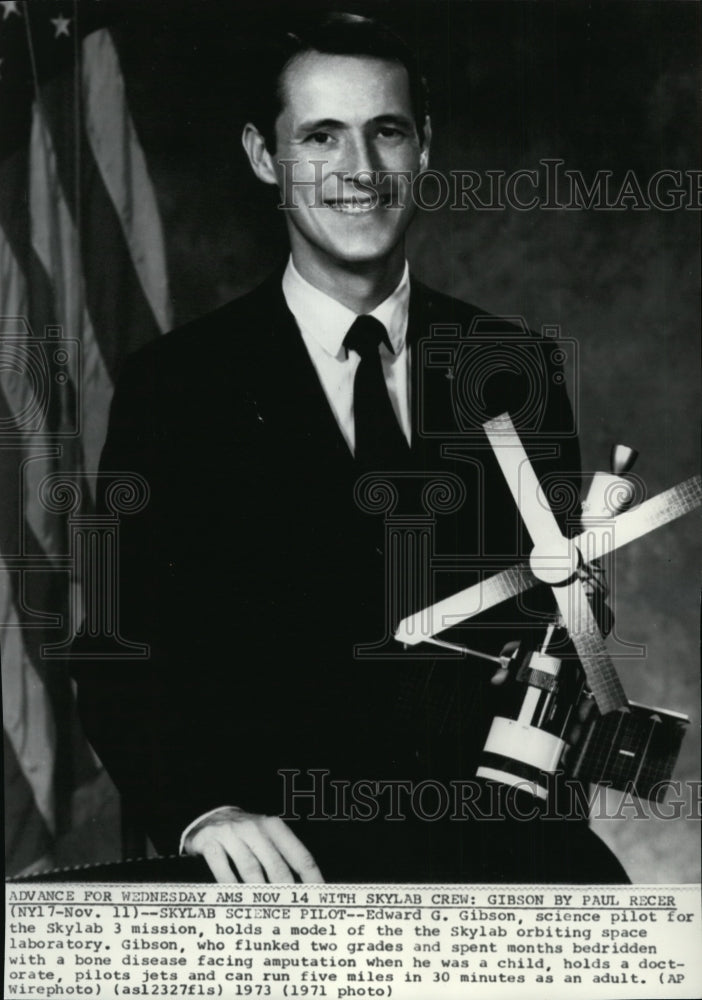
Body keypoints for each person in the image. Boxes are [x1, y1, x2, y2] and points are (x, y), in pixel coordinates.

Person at [72, 12, 628, 884]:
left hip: (476, 854)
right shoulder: (175, 386)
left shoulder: (513, 365)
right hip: (271, 858)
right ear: (265, 157)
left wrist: (585, 625)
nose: (360, 172)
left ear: (424, 147)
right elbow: (114, 650)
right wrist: (200, 810)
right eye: (321, 137)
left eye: (387, 132)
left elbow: (550, 633)